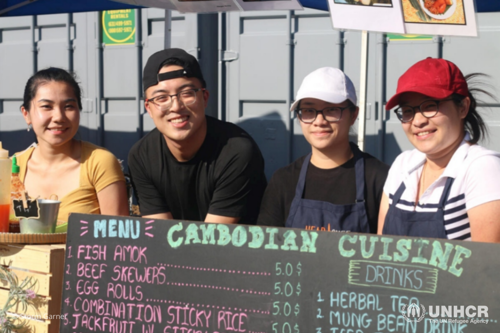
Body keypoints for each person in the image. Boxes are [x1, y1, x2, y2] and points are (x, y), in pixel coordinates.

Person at [128, 48, 267, 224]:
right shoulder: (142, 156)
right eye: (162, 98)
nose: (176, 107)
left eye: (186, 93)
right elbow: (159, 233)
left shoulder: (237, 151)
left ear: (205, 97)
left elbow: (212, 239)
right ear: (148, 108)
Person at [378, 58, 500, 242]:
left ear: (463, 108)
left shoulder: (482, 167)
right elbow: (380, 249)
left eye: (430, 106)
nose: (418, 121)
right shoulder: (402, 165)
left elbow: (486, 266)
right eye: (408, 111)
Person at [257, 67, 389, 232]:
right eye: (308, 111)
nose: (319, 121)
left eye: (332, 109)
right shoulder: (284, 181)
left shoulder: (381, 179)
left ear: (354, 115)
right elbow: (268, 251)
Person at [17, 67, 129, 232]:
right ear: (26, 114)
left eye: (68, 106)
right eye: (47, 106)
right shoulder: (11, 167)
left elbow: (118, 240)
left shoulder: (99, 162)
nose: (59, 117)